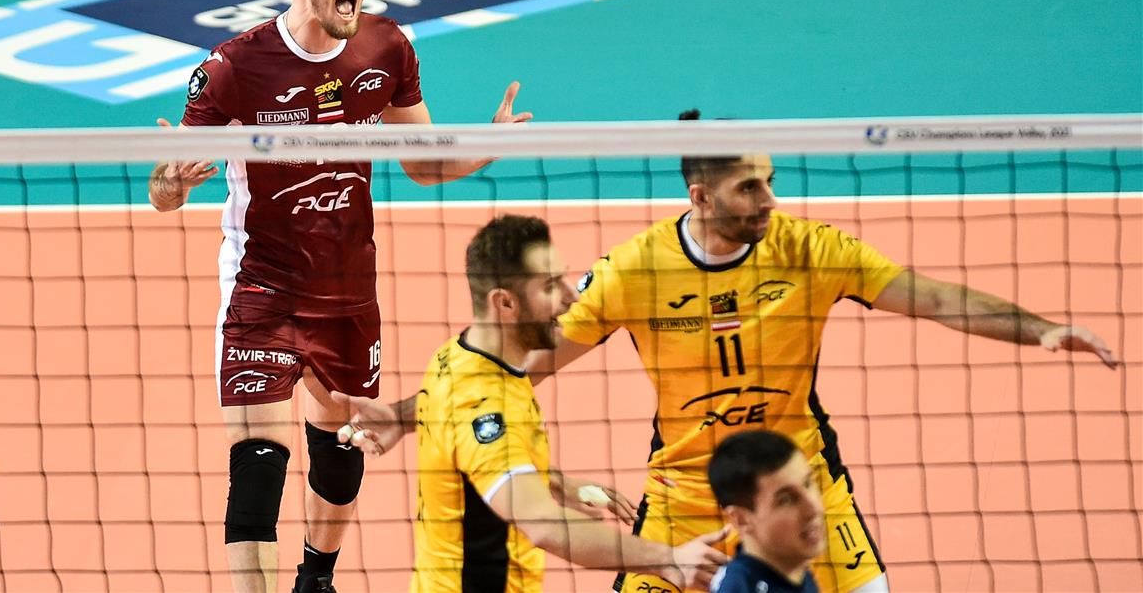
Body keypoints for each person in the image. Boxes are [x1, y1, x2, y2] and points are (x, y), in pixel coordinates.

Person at [337, 109, 1119, 593]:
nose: (770, 200)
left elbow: (936, 298)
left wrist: (1038, 328)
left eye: (769, 181)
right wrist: (406, 415)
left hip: (801, 483)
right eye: (751, 188)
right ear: (701, 196)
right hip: (685, 491)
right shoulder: (637, 270)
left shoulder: (810, 250)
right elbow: (525, 363)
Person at [147, 0, 531, 593]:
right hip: (261, 287)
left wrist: (488, 146)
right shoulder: (234, 67)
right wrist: (171, 186)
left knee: (340, 451)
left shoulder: (386, 48)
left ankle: (315, 578)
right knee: (258, 461)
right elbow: (164, 189)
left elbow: (423, 163)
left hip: (349, 290)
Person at [336, 214, 730, 591]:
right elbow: (543, 525)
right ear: (504, 303)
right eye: (551, 286)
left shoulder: (457, 357)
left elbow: (461, 434)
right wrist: (670, 560)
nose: (572, 297)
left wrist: (554, 482)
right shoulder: (486, 402)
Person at [707, 431, 824, 593]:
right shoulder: (739, 588)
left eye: (808, 483)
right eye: (785, 500)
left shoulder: (796, 572)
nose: (814, 509)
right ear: (741, 519)